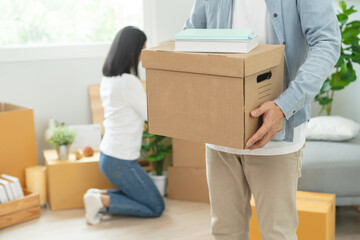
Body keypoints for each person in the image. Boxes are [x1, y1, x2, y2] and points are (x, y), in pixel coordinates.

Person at [184, 0, 341, 239]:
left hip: (277, 135)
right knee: (225, 231)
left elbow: (327, 42)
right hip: (220, 133)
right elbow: (190, 36)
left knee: (277, 233)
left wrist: (283, 105)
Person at [83, 26, 165, 225]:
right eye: (142, 49)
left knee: (145, 196)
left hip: (110, 156)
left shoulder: (109, 79)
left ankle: (98, 195)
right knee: (156, 206)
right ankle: (100, 200)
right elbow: (152, 116)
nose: (142, 55)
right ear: (132, 51)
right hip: (120, 161)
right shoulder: (129, 82)